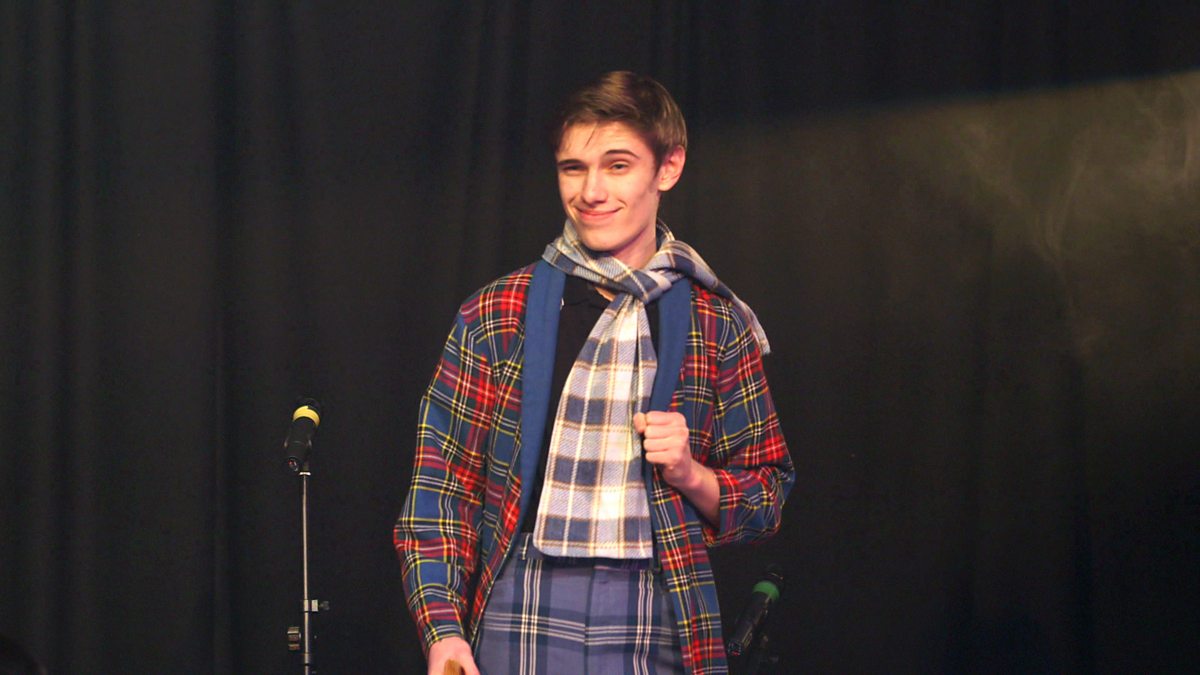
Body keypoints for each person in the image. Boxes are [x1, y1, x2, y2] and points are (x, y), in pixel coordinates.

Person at [395, 70, 794, 675]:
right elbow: (440, 490)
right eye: (573, 168)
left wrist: (690, 474)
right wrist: (443, 630)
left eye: (618, 165)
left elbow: (767, 496)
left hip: (658, 605)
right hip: (521, 596)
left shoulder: (715, 323)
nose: (591, 191)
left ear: (668, 168)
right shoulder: (497, 314)